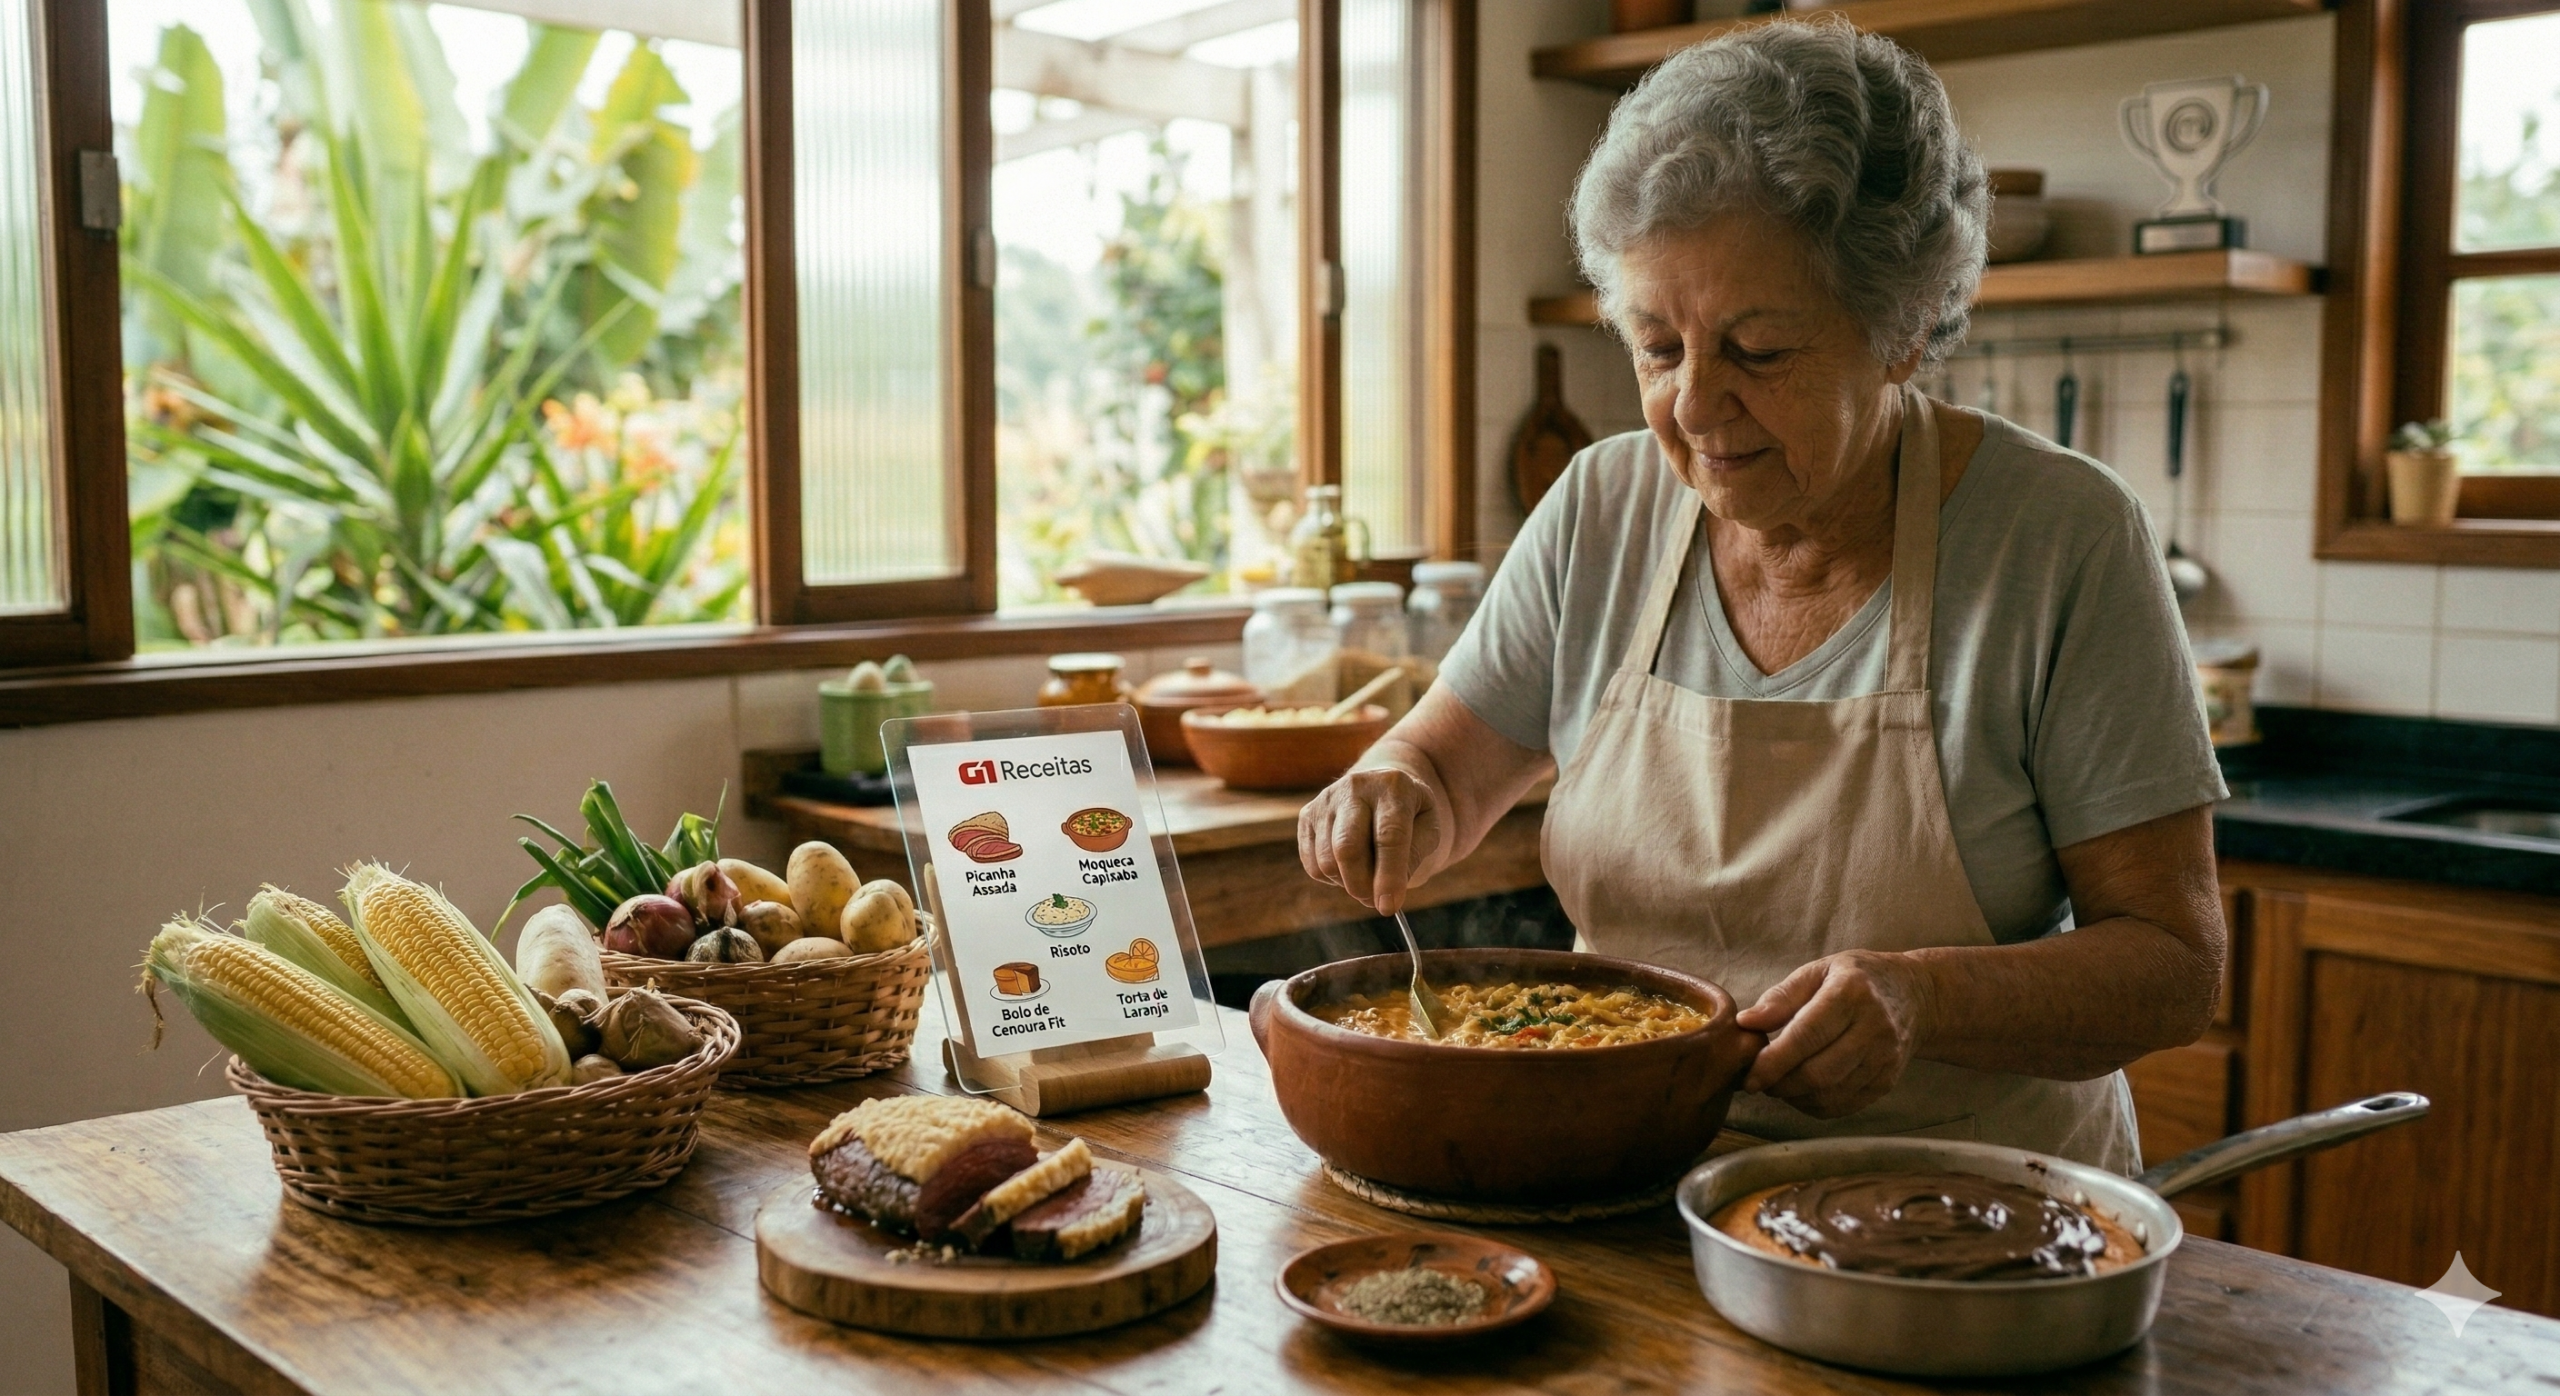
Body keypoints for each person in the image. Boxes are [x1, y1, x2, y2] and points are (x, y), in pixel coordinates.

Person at [1296, 15, 2226, 1171]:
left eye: (1758, 351)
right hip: (1618, 1175)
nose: (1692, 405)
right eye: (1654, 346)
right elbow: (1436, 770)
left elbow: (2174, 969)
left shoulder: (2061, 538)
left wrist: (1921, 1000)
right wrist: (1385, 788)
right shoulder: (1601, 506)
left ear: (1900, 333)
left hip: (1960, 1222)